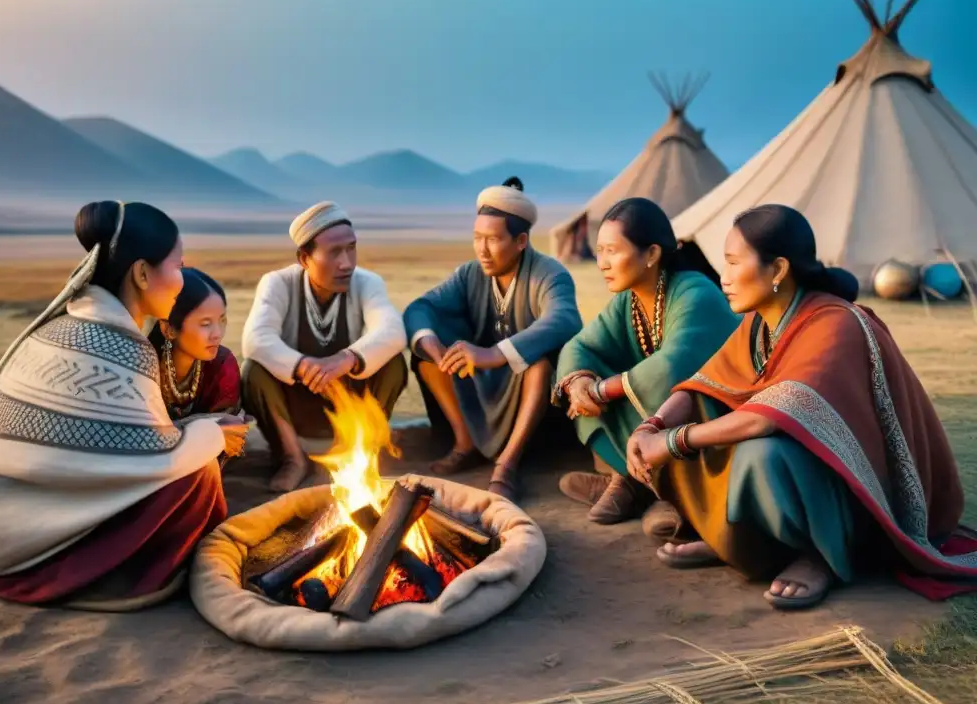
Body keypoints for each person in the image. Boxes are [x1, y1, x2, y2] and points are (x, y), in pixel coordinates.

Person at [625, 203, 976, 610]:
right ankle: (734, 538)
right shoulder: (760, 322)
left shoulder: (836, 323)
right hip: (805, 474)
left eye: (734, 263)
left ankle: (821, 555)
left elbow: (767, 417)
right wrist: (651, 426)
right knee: (705, 410)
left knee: (762, 453)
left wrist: (672, 442)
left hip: (864, 498)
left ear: (777, 270)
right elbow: (701, 385)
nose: (723, 277)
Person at [0, 201, 248, 608]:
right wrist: (213, 434)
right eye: (178, 265)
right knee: (199, 477)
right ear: (143, 273)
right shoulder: (119, 346)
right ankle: (135, 574)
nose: (182, 279)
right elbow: (160, 459)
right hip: (12, 548)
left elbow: (119, 448)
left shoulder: (69, 327)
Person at [554, 198, 738, 525]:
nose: (603, 263)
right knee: (582, 381)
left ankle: (664, 493)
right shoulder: (629, 299)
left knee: (632, 391)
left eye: (613, 250)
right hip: (660, 422)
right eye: (599, 251)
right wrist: (581, 383)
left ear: (651, 254)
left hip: (713, 423)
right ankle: (633, 481)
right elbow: (581, 345)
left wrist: (601, 391)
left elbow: (672, 367)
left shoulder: (696, 292)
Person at [403, 177, 583, 503]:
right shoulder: (469, 274)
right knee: (426, 359)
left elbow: (565, 319)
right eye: (477, 238)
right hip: (480, 380)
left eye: (494, 239)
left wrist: (494, 354)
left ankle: (507, 465)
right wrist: (434, 347)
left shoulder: (550, 273)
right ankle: (464, 443)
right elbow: (420, 308)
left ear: (521, 241)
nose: (483, 250)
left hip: (532, 394)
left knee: (539, 365)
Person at [241, 201, 408, 492]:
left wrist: (347, 359)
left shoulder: (367, 282)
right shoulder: (277, 283)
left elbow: (392, 330)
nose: (346, 262)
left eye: (351, 248)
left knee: (394, 363)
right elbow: (255, 339)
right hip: (297, 403)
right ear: (304, 258)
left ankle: (358, 454)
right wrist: (304, 366)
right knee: (253, 371)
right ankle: (292, 459)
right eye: (334, 252)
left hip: (349, 402)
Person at [149, 267, 241, 421]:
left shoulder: (222, 365)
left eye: (222, 320)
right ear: (169, 329)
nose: (217, 334)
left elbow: (228, 432)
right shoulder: (143, 367)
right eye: (205, 324)